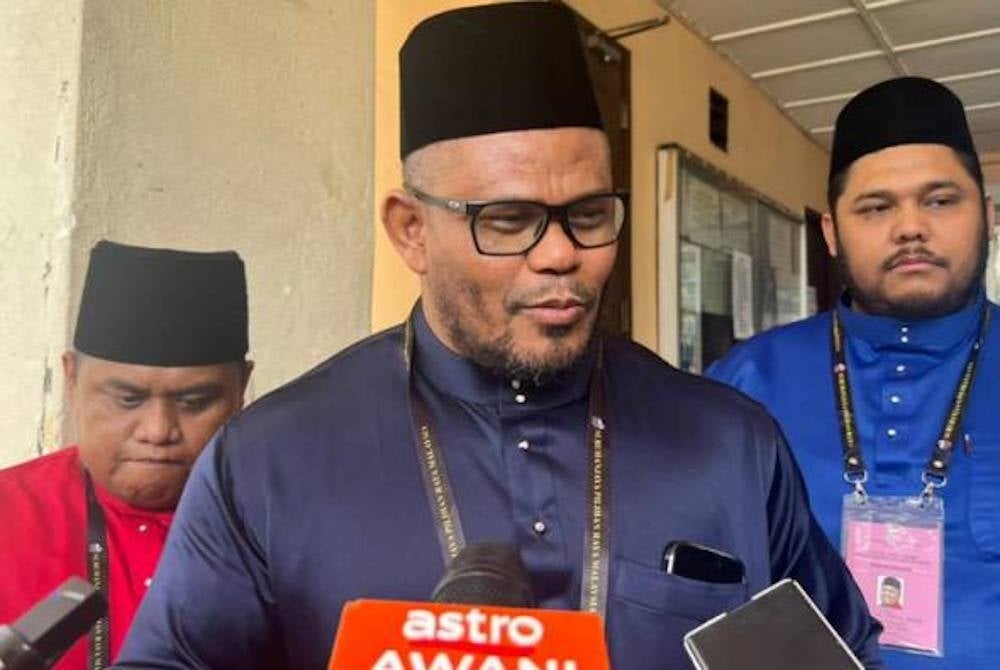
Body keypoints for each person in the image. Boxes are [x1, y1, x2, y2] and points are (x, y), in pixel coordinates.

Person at [115, 4, 881, 669]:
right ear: (411, 231)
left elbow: (842, 655)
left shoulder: (732, 443)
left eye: (589, 214)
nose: (561, 255)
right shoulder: (268, 460)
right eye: (508, 221)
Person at [709, 77, 998, 666]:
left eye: (940, 200)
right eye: (876, 207)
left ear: (989, 216)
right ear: (832, 233)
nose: (910, 227)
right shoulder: (745, 382)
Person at [0, 240, 252, 669]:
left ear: (240, 388)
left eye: (194, 402)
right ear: (71, 378)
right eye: (127, 399)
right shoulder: (9, 514)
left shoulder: (288, 523)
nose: (158, 430)